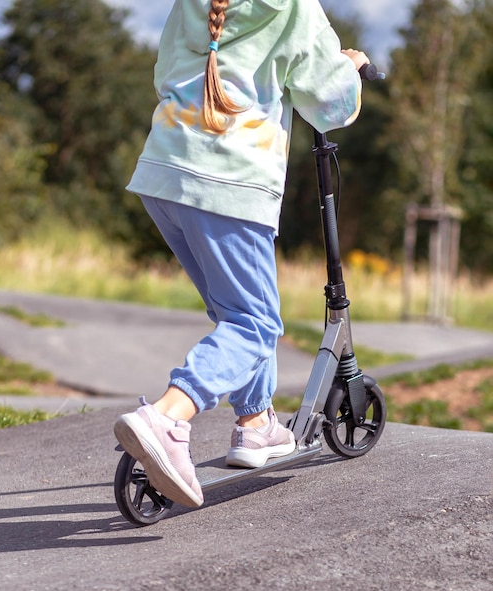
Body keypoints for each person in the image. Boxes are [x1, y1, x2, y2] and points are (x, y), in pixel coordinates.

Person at [114, 0, 369, 508]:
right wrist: (351, 68)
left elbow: (165, 70)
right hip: (232, 182)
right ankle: (167, 416)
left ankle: (256, 423)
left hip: (164, 171)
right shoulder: (295, 5)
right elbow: (328, 102)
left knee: (235, 313)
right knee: (255, 325)